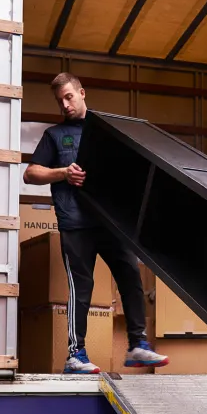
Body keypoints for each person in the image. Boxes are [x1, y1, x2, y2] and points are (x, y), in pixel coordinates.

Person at [24, 74, 170, 374]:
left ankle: (138, 345)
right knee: (82, 287)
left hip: (111, 223)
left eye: (69, 97)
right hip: (75, 224)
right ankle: (75, 355)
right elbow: (31, 173)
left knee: (130, 274)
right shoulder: (55, 136)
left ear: (82, 93)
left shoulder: (106, 130)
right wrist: (63, 173)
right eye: (60, 100)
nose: (65, 104)